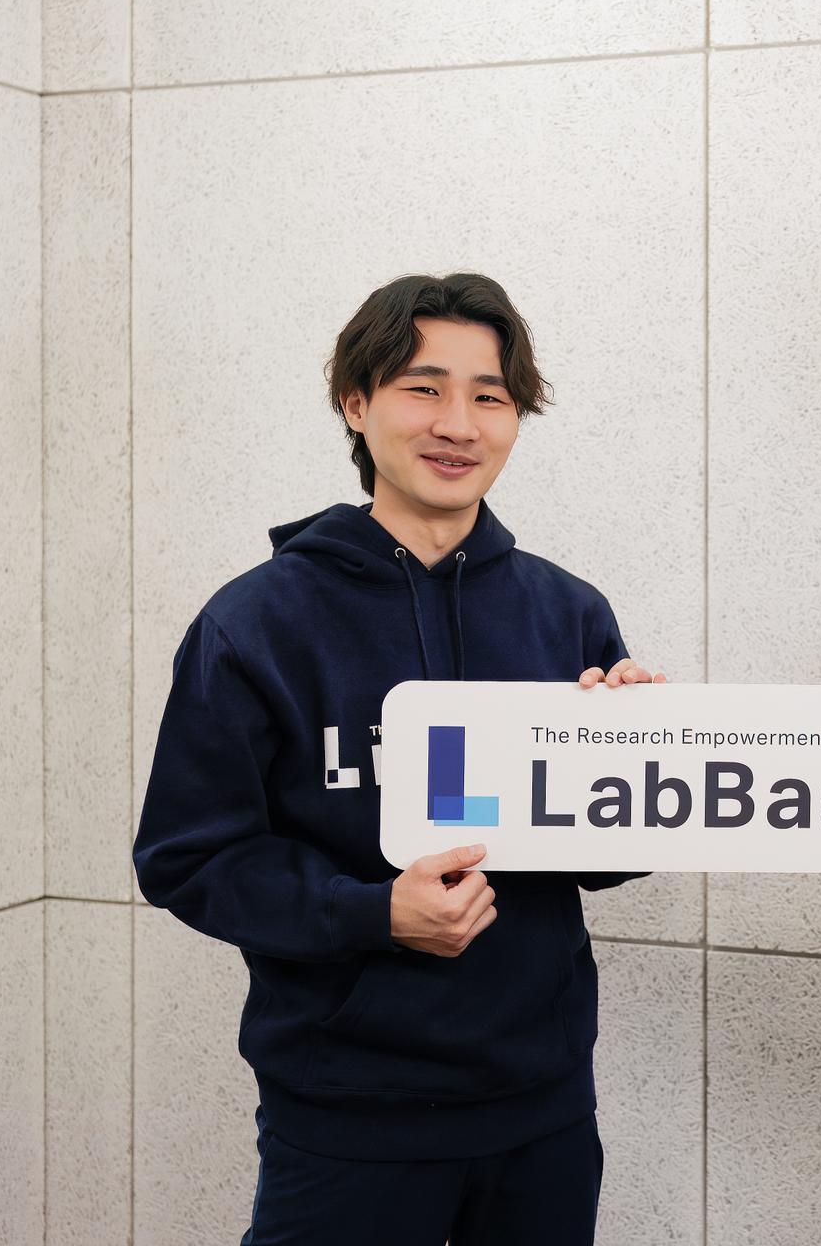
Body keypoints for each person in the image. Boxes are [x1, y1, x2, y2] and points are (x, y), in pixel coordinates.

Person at [134, 272, 662, 1245]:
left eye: (489, 395)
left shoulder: (567, 612)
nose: (458, 423)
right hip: (347, 1116)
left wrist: (628, 765)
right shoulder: (256, 623)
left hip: (542, 1106)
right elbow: (188, 858)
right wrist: (372, 913)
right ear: (356, 401)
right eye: (424, 388)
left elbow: (610, 860)